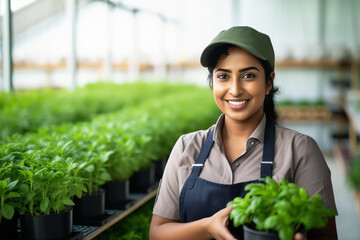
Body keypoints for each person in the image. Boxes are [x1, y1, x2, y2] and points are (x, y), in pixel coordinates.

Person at [149, 26, 338, 240]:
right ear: (212, 82)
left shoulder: (300, 149)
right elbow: (158, 233)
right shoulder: (187, 147)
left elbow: (325, 235)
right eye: (223, 76)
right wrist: (207, 227)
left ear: (268, 82)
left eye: (248, 75)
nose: (235, 89)